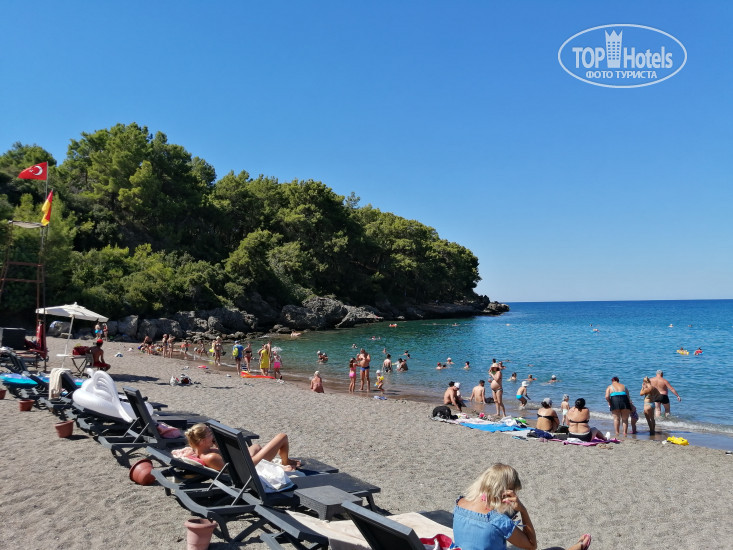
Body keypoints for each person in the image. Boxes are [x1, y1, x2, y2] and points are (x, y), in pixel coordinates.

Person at [453, 463, 592, 550]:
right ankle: (577, 547)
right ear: (505, 492)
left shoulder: (460, 504)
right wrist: (523, 511)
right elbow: (532, 545)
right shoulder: (497, 520)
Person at [175, 423, 300, 471]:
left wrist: (218, 445)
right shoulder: (210, 457)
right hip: (250, 466)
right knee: (282, 437)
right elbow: (238, 470)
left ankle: (283, 460)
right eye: (210, 434)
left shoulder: (201, 450)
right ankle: (285, 461)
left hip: (243, 461)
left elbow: (227, 459)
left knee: (256, 446)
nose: (213, 435)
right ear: (202, 441)